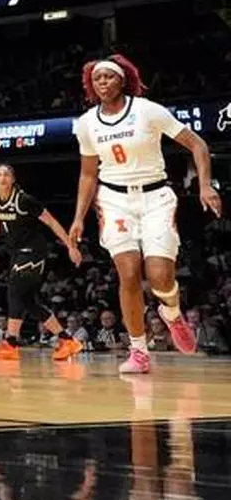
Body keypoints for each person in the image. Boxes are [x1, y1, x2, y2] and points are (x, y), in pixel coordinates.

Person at [68, 54, 220, 374]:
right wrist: (79, 217)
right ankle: (138, 350)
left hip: (156, 197)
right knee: (128, 272)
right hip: (114, 200)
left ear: (122, 79)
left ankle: (172, 312)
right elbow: (87, 174)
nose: (103, 83)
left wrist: (205, 186)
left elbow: (198, 145)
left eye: (108, 77)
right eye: (97, 79)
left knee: (160, 276)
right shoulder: (86, 123)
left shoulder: (147, 110)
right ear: (91, 85)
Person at [0, 163, 84, 361]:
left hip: (34, 251)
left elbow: (52, 222)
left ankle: (11, 342)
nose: (2, 177)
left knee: (14, 291)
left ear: (13, 179)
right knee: (28, 301)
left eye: (6, 174)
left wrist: (71, 247)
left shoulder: (24, 200)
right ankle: (67, 340)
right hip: (15, 252)